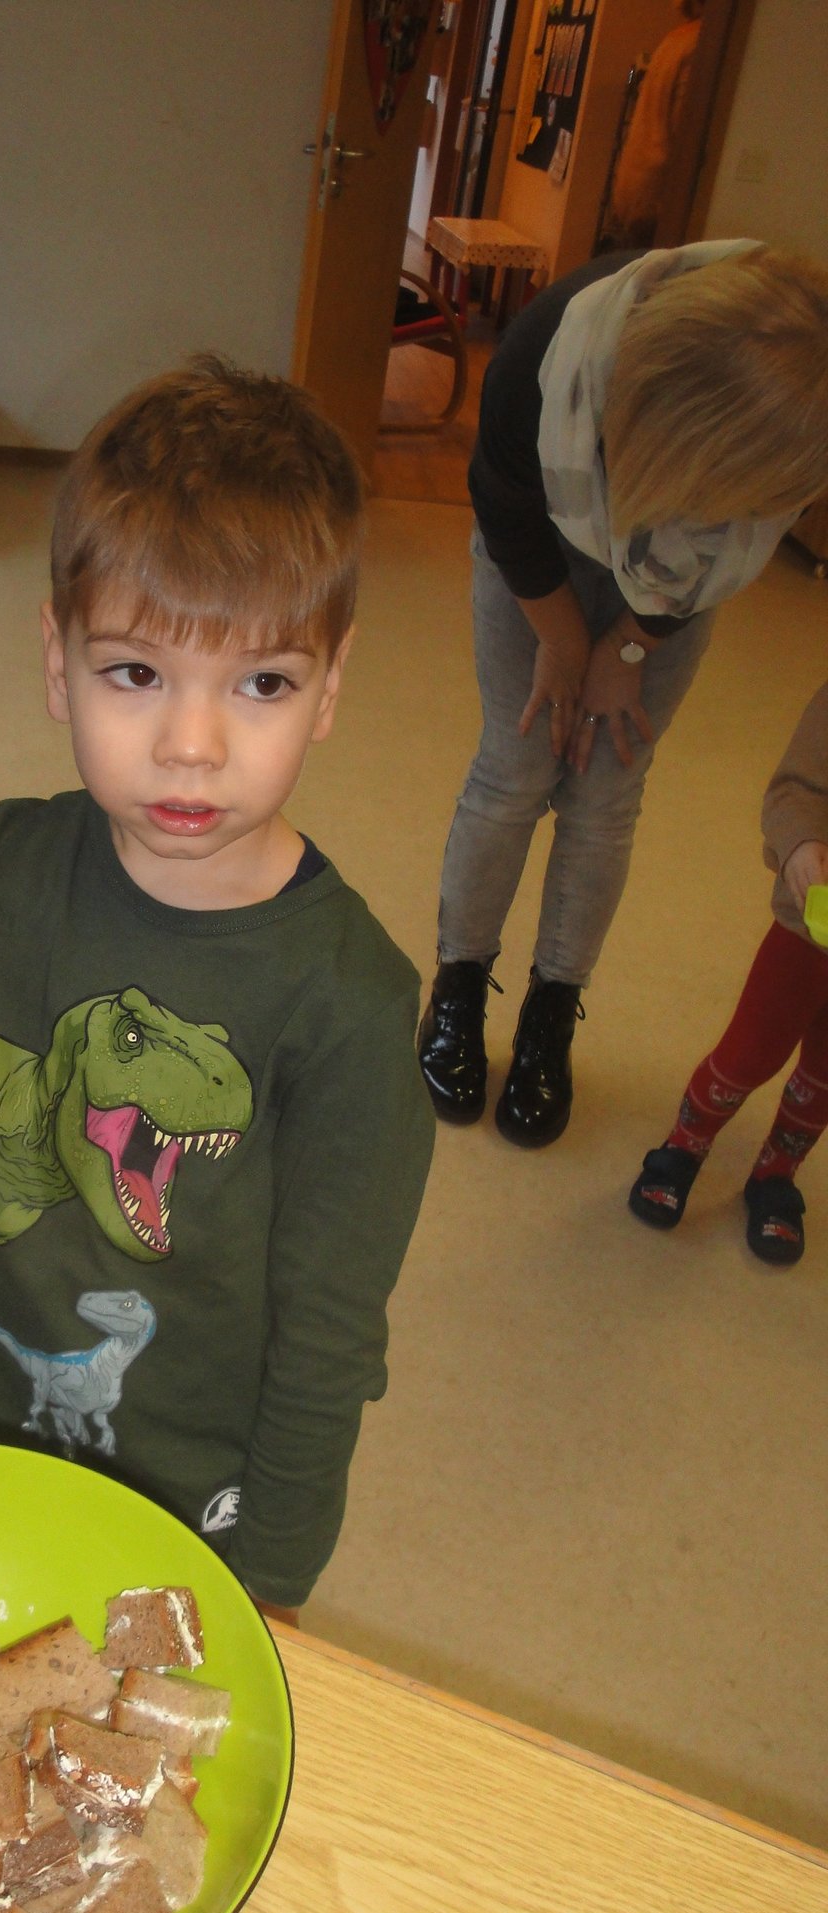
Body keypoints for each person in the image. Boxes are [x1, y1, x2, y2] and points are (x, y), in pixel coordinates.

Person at [0, 360, 435, 1621]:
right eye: (136, 672)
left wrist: (269, 1590)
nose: (192, 745)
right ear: (58, 663)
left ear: (331, 687)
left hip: (207, 1515)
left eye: (262, 682)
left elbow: (331, 1342)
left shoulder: (350, 999)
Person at [417, 241, 828, 1148]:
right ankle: (456, 988)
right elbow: (506, 507)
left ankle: (551, 1010)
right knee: (515, 770)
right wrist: (565, 643)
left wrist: (632, 646)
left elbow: (723, 555)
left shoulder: (800, 410)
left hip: (671, 595)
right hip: (540, 546)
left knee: (605, 794)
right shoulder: (547, 355)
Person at [629, 680, 828, 1265]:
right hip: (809, 928)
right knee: (750, 1052)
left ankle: (776, 1172)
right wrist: (800, 844)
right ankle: (685, 1145)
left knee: (825, 1075)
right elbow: (795, 790)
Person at [604, 0, 705, 251]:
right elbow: (686, 135)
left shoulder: (674, 40)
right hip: (657, 198)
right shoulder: (701, 45)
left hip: (634, 186)